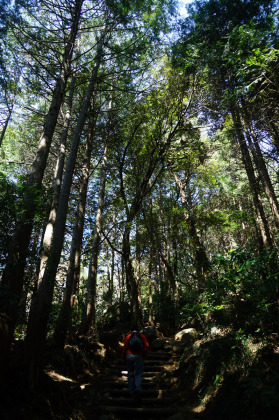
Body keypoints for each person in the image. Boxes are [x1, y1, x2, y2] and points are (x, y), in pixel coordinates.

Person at [122, 325, 149, 401]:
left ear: (131, 330)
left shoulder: (128, 336)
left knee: (130, 374)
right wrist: (143, 355)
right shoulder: (142, 336)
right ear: (138, 330)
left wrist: (124, 356)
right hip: (139, 356)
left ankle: (131, 391)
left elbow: (125, 347)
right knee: (138, 373)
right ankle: (138, 389)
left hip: (129, 355)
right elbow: (146, 346)